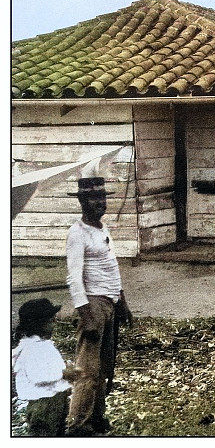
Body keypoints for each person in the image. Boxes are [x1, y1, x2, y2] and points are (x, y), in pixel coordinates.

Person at [65, 176, 133, 436]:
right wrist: (87, 315)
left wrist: (123, 303)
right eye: (94, 198)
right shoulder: (77, 233)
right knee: (87, 370)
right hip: (93, 305)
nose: (100, 203)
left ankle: (96, 419)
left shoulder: (103, 230)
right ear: (82, 201)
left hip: (110, 303)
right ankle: (78, 425)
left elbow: (112, 269)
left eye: (103, 198)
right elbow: (74, 277)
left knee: (104, 368)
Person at [12, 298, 73, 436]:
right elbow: (39, 376)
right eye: (51, 320)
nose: (55, 323)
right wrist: (64, 374)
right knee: (44, 433)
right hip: (43, 404)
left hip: (54, 400)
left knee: (57, 431)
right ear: (38, 324)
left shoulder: (43, 344)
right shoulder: (31, 348)